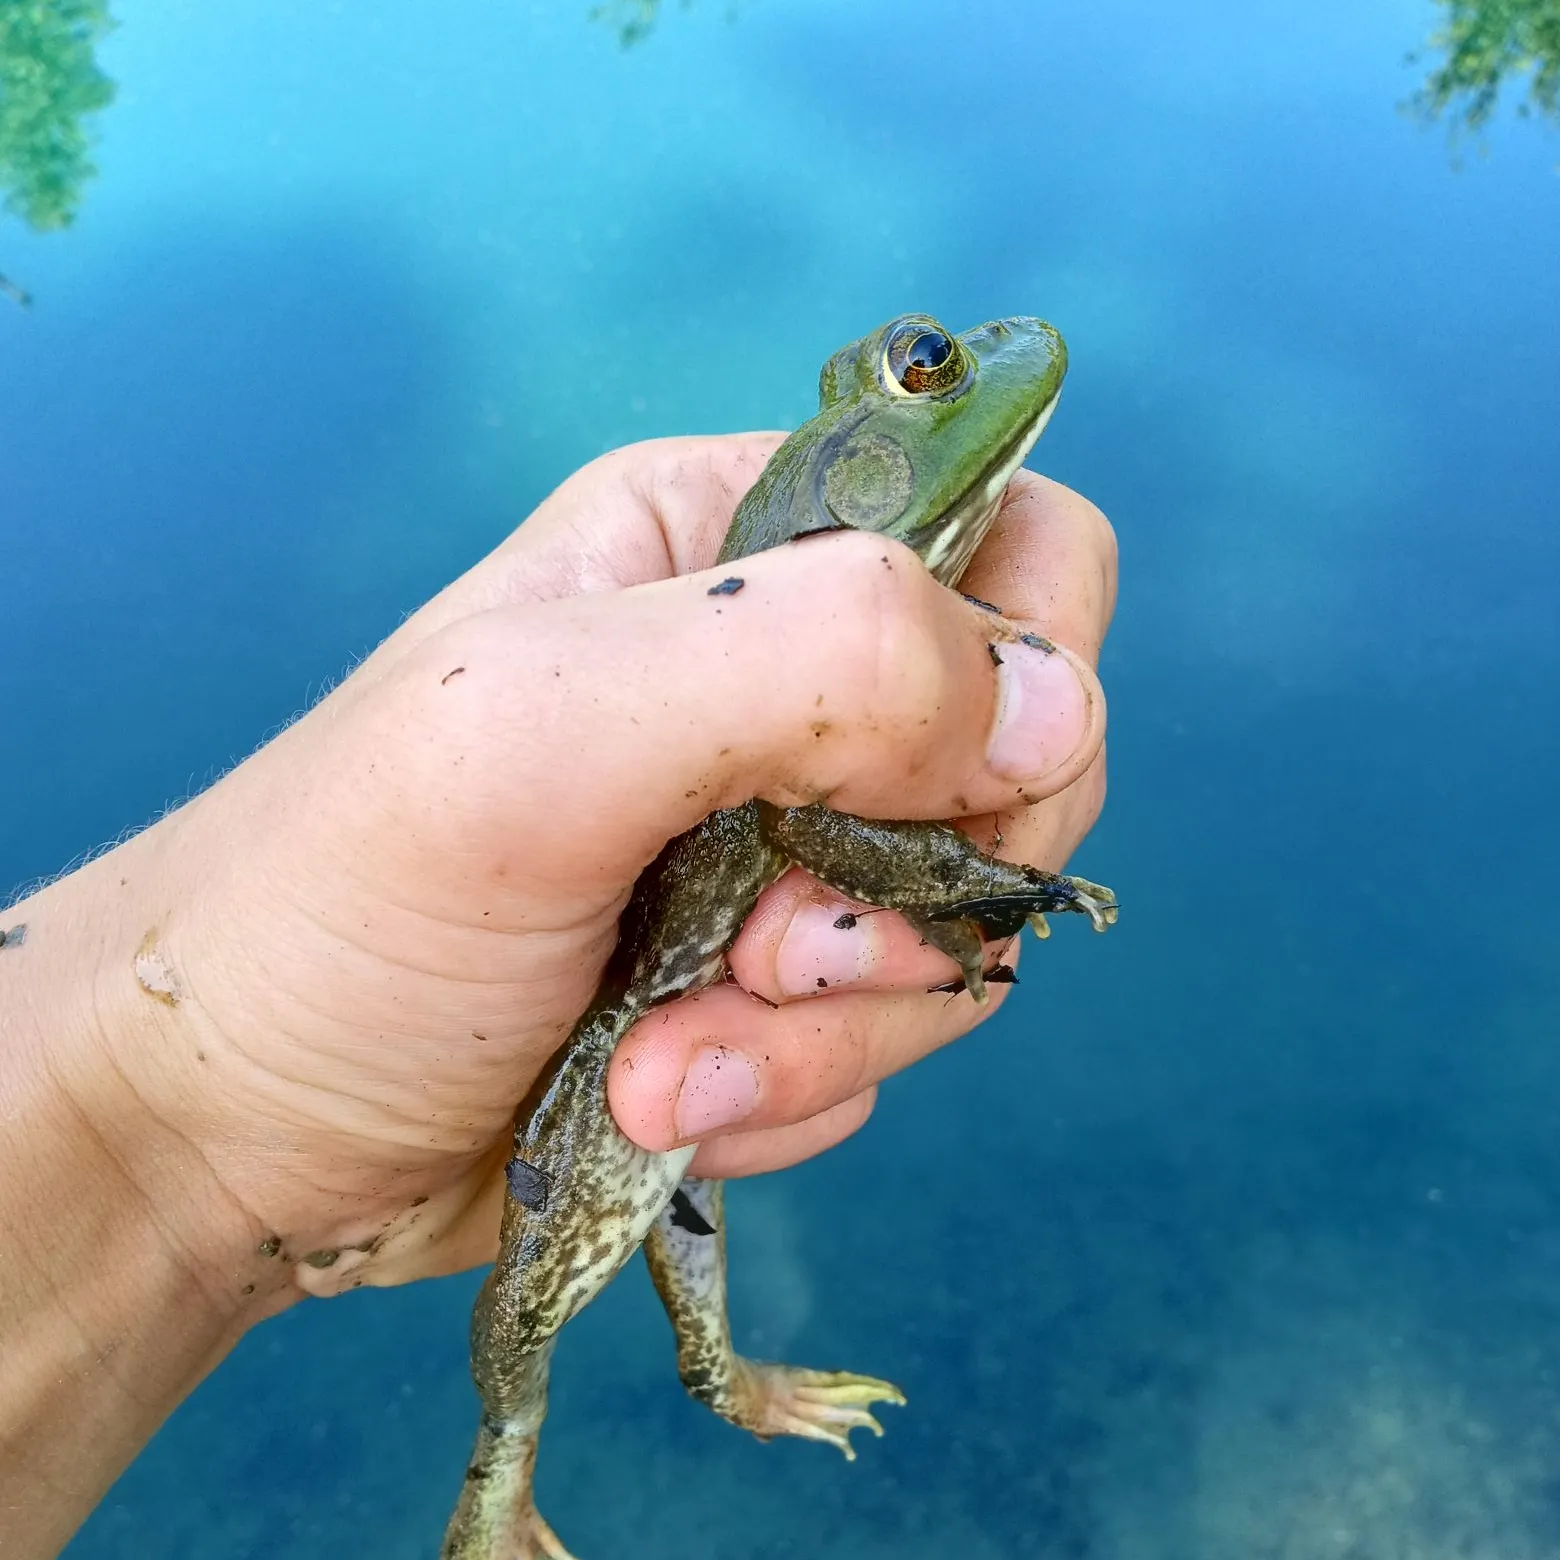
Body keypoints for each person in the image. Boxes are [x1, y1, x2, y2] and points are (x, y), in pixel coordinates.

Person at [0, 433, 1116, 1556]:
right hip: (614, 1036)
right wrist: (1013, 887)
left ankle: (724, 1380)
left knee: (683, 1143)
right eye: (919, 368)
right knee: (589, 1227)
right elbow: (812, 825)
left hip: (675, 1016)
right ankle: (502, 1479)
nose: (949, 377)